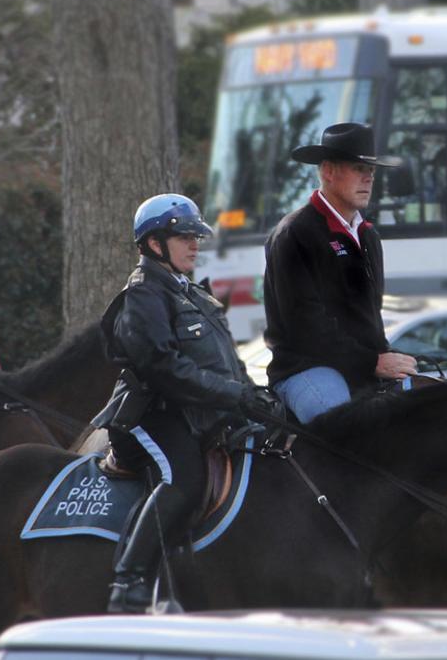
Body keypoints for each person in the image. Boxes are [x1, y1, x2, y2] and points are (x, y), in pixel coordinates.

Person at [97, 193, 275, 614]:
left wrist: (252, 394)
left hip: (198, 412)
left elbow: (224, 361)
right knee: (184, 478)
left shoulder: (190, 291)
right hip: (151, 415)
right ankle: (130, 579)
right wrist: (234, 395)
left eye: (197, 236)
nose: (195, 244)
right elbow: (164, 369)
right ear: (154, 243)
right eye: (184, 236)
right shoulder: (144, 295)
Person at [262, 122, 417, 424]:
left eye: (371, 171)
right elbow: (304, 326)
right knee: (344, 429)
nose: (368, 178)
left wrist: (387, 357)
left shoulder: (369, 236)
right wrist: (373, 362)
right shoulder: (294, 233)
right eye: (359, 167)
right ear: (328, 172)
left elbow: (369, 319)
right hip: (305, 368)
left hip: (362, 367)